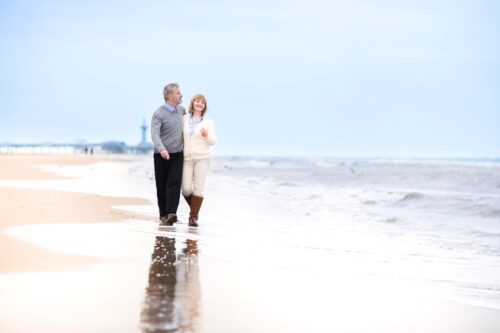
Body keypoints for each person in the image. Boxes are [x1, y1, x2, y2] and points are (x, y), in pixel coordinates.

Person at [151, 83, 186, 226]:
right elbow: (154, 134)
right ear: (169, 96)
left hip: (178, 153)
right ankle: (163, 214)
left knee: (174, 183)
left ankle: (172, 213)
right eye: (178, 93)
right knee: (162, 185)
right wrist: (162, 149)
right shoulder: (158, 113)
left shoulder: (182, 111)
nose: (181, 95)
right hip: (161, 155)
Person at [181, 94, 216, 227]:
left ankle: (193, 218)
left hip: (202, 158)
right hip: (187, 158)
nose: (200, 104)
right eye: (197, 101)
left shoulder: (208, 122)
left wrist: (206, 135)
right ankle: (195, 210)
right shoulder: (184, 119)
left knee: (198, 189)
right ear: (193, 103)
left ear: (204, 106)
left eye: (203, 102)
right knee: (185, 189)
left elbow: (212, 141)